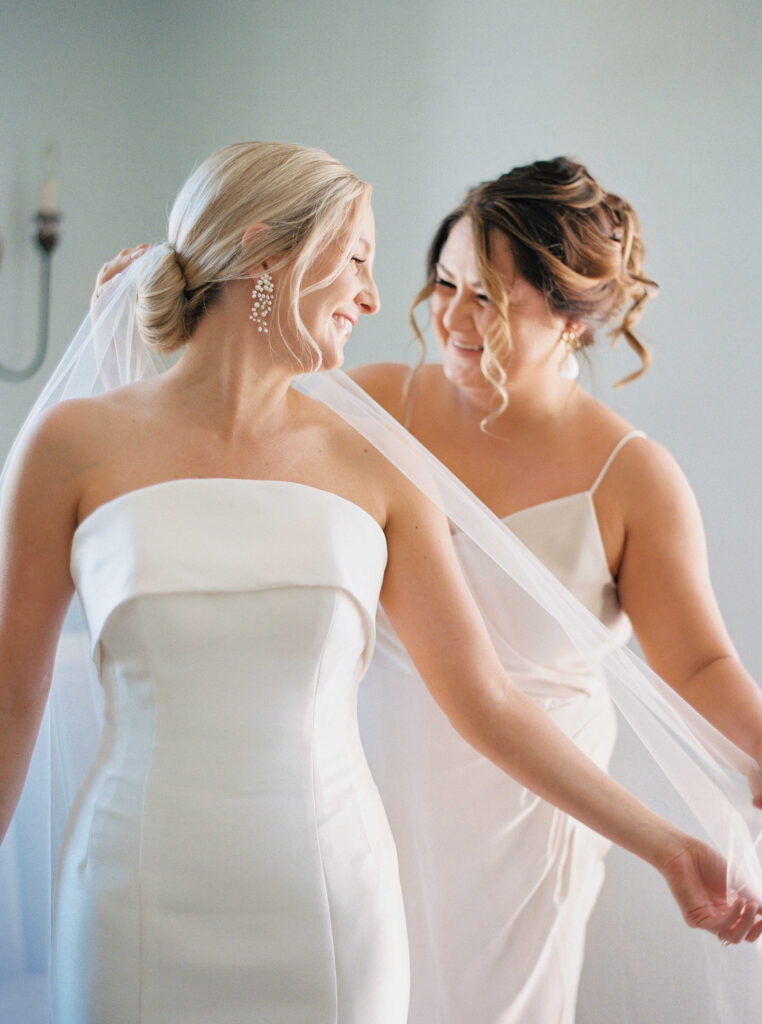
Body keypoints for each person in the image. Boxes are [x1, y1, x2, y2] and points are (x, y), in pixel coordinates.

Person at [12, 142, 758, 1024]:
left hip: (372, 868)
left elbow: (507, 695)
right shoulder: (91, 445)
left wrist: (671, 845)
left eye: (486, 295)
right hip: (143, 873)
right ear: (266, 257)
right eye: (378, 265)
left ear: (570, 322)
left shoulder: (388, 461)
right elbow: (21, 682)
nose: (391, 303)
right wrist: (132, 337)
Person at [342, 157, 762, 1023]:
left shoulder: (630, 476)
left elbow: (699, 661)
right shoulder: (376, 407)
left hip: (533, 824)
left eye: (490, 298)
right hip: (371, 786)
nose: (453, 317)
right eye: (446, 282)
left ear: (570, 317)